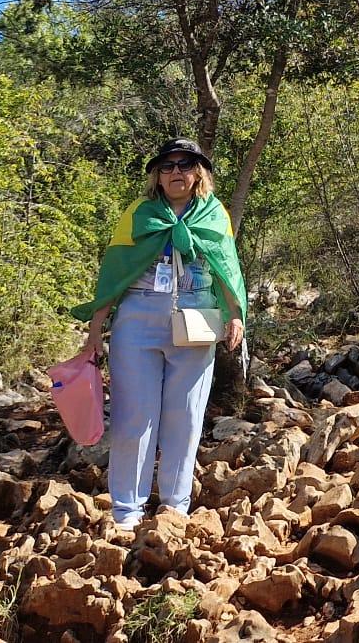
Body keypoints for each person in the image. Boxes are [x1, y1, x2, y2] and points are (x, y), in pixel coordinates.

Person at [74, 139, 248, 536]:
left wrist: (235, 315)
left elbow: (227, 266)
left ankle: (175, 506)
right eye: (168, 166)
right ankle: (126, 511)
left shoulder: (214, 213)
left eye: (186, 165)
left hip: (196, 320)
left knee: (185, 418)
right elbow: (115, 272)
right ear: (157, 175)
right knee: (134, 418)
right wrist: (95, 329)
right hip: (138, 319)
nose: (176, 173)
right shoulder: (138, 213)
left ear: (199, 173)